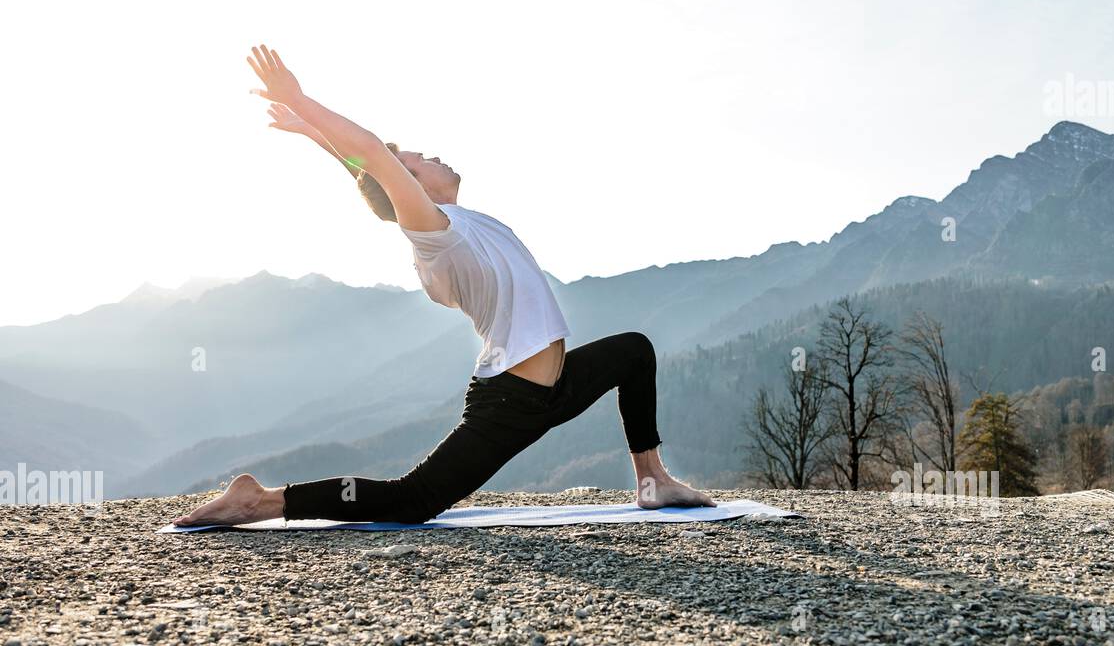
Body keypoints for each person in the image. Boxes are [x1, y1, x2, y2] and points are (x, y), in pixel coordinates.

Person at [174, 46, 713, 527]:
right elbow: (377, 161)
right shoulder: (439, 237)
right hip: (512, 400)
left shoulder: (462, 223)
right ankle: (261, 501)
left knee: (634, 353)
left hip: (556, 388)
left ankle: (652, 480)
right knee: (412, 500)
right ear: (408, 187)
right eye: (416, 162)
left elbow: (367, 166)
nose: (429, 156)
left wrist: (312, 133)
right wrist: (305, 102)